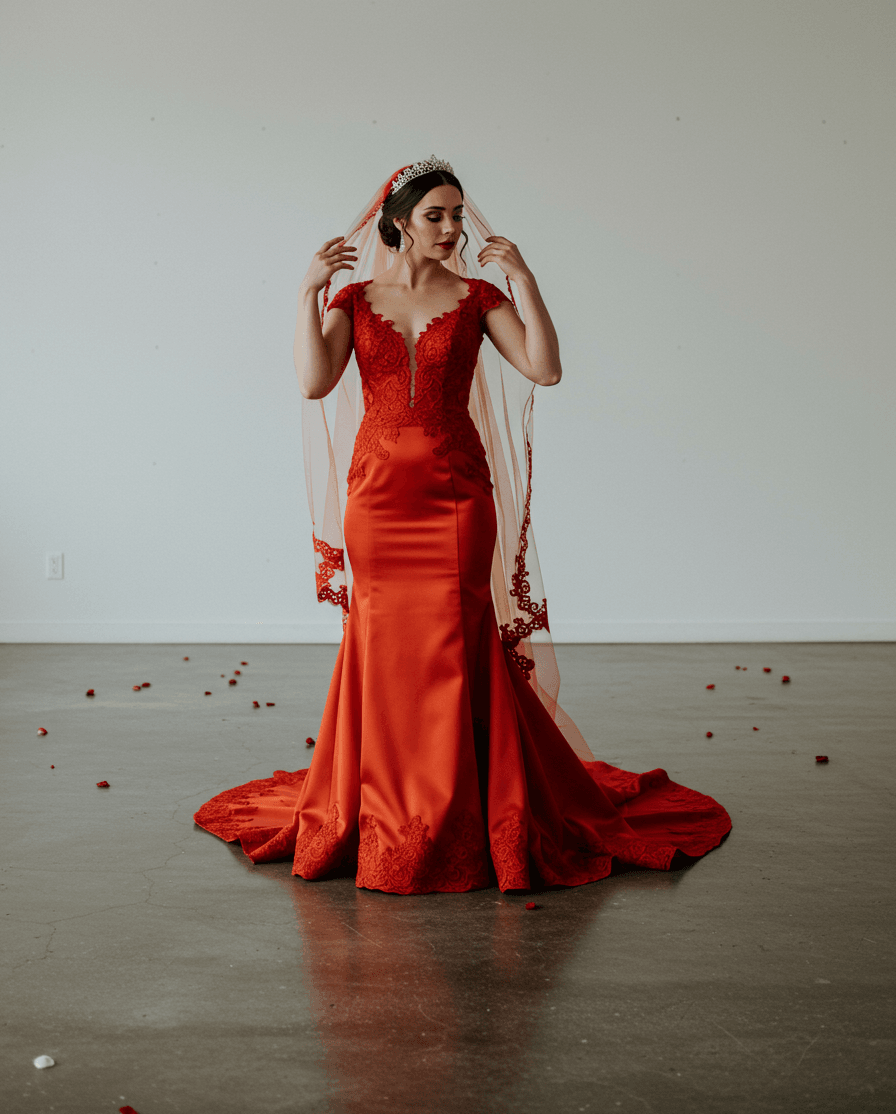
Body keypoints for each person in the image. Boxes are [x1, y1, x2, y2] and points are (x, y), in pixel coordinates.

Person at [194, 158, 731, 893]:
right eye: (436, 217)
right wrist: (306, 291)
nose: (453, 230)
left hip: (456, 498)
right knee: (381, 644)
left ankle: (468, 810)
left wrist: (527, 282)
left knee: (457, 637)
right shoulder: (352, 297)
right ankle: (385, 806)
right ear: (399, 224)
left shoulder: (478, 297)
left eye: (457, 215)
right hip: (377, 501)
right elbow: (314, 382)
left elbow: (546, 369)